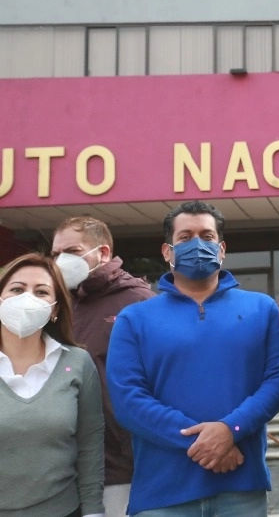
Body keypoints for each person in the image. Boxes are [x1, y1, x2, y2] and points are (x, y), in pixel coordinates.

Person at [106, 200, 279, 516]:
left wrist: (229, 429)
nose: (197, 244)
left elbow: (277, 381)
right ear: (167, 251)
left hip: (242, 488)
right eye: (186, 236)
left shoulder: (263, 309)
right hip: (162, 494)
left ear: (221, 249)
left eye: (206, 236)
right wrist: (207, 441)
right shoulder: (133, 319)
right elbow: (128, 401)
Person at [52, 216, 155, 517]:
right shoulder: (56, 304)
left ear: (103, 253)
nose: (60, 261)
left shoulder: (138, 302)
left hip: (124, 467)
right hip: (66, 467)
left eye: (71, 251)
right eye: (56, 254)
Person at [0, 253, 105, 517]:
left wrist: (93, 512)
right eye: (17, 289)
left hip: (61, 510)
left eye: (42, 291)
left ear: (55, 309)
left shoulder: (77, 363)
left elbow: (90, 445)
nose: (27, 298)